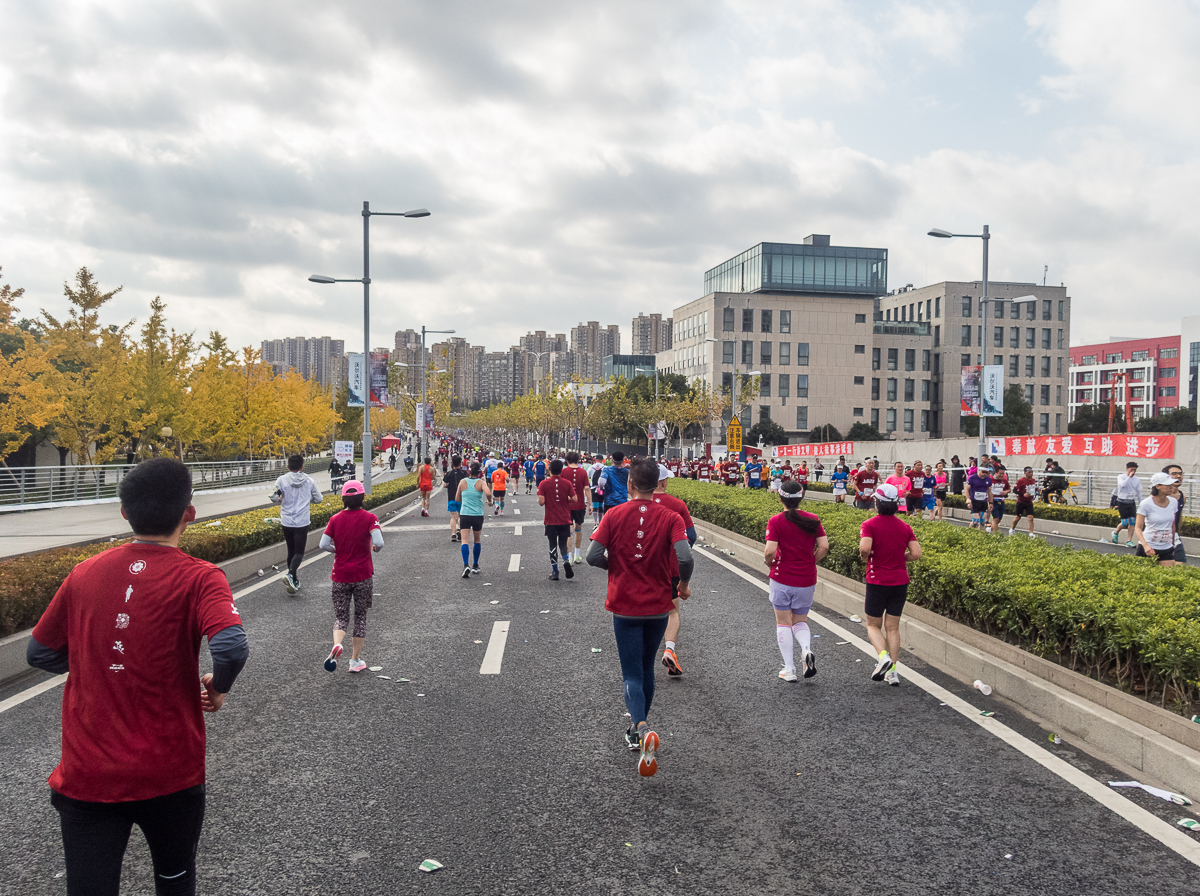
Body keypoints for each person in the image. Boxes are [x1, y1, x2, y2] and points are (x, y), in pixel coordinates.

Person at [26, 458, 249, 896]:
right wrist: (217, 689)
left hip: (89, 773)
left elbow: (39, 652)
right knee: (174, 878)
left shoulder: (84, 573)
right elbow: (230, 646)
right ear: (190, 511)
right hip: (171, 771)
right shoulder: (200, 577)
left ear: (125, 513)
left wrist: (94, 662)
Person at [587, 457, 693, 777]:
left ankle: (642, 727)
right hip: (659, 605)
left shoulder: (614, 513)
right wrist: (682, 585)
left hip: (624, 604)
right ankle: (638, 731)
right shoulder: (671, 516)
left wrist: (615, 568)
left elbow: (592, 556)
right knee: (647, 668)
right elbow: (685, 556)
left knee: (631, 673)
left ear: (631, 484)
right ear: (659, 483)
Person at [763, 481, 829, 682]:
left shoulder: (776, 521)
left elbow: (769, 551)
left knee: (783, 623)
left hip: (782, 576)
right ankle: (806, 650)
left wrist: (770, 564)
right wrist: (811, 561)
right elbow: (824, 547)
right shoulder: (813, 519)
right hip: (807, 578)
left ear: (780, 497)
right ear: (801, 497)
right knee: (800, 620)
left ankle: (789, 669)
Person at [859, 483, 921, 686]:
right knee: (893, 628)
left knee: (872, 625)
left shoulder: (869, 524)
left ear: (876, 502)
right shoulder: (905, 527)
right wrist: (899, 558)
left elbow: (864, 548)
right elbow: (916, 554)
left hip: (877, 580)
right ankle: (892, 672)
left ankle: (883, 656)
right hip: (900, 581)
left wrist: (864, 557)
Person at [319, 480, 383, 674]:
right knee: (360, 616)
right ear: (363, 497)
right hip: (363, 574)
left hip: (340, 574)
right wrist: (374, 548)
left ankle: (337, 644)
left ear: (343, 499)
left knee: (341, 616)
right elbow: (379, 542)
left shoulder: (335, 519)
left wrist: (336, 550)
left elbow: (323, 544)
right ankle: (355, 660)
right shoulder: (370, 518)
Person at [653, 464, 697, 676]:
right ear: (661, 481)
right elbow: (692, 537)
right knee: (672, 611)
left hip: (641, 567)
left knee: (643, 610)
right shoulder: (677, 504)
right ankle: (669, 649)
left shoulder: (633, 504)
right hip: (671, 566)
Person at [272, 453, 324, 594]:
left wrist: (280, 499)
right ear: (302, 466)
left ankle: (293, 581)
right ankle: (290, 575)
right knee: (299, 552)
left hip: (287, 520)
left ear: (288, 466)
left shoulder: (281, 480)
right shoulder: (309, 481)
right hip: (302, 521)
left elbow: (273, 496)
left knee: (291, 551)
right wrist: (308, 500)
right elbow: (319, 499)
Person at [538, 459, 577, 580]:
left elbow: (541, 502)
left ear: (549, 469)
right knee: (563, 543)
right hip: (565, 518)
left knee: (552, 544)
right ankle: (566, 560)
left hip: (551, 519)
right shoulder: (567, 483)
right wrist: (565, 499)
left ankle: (555, 571)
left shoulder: (544, 484)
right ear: (561, 470)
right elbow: (575, 499)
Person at [456, 461, 492, 577]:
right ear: (480, 473)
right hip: (477, 515)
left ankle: (466, 565)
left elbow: (457, 499)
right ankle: (475, 565)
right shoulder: (481, 483)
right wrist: (490, 501)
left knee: (465, 541)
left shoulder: (462, 482)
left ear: (469, 471)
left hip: (465, 514)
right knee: (477, 540)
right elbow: (488, 493)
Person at [1135, 472, 1180, 566]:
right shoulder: (1146, 504)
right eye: (1168, 484)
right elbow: (1138, 528)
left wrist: (1172, 544)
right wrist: (1145, 546)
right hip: (1149, 548)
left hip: (1167, 548)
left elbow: (1172, 525)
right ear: (1158, 486)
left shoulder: (1173, 502)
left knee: (1168, 577)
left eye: (1172, 484)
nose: (1171, 487)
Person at [561, 451, 592, 564]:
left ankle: (569, 556)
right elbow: (587, 489)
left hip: (567, 505)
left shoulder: (563, 472)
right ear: (578, 460)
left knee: (569, 531)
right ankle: (577, 555)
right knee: (578, 529)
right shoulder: (583, 472)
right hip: (580, 505)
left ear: (567, 461)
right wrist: (591, 504)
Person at [1111, 461, 1142, 547]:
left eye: (1135, 470)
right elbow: (1123, 485)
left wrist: (1141, 503)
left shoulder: (1137, 479)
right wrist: (1129, 477)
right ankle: (1116, 532)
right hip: (1122, 502)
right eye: (1131, 469)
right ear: (1127, 469)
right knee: (1124, 523)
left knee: (1132, 521)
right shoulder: (1121, 477)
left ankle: (1129, 541)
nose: (1133, 472)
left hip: (1131, 502)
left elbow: (1139, 492)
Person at [443, 455, 468, 543]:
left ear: (452, 463)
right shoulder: (464, 474)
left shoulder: (449, 474)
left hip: (451, 497)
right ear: (460, 463)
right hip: (462, 497)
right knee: (460, 515)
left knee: (453, 516)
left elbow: (445, 485)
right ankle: (459, 529)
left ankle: (453, 533)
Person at [1009, 466, 1038, 536]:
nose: (1031, 474)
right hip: (1021, 502)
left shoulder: (1033, 480)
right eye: (1029, 472)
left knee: (1031, 517)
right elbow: (1014, 490)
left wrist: (1037, 490)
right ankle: (1012, 529)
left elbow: (1032, 489)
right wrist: (1022, 494)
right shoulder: (1021, 481)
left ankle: (1031, 533)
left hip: (1029, 502)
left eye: (1032, 472)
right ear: (1025, 473)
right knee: (1018, 517)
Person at [599, 450, 630, 515]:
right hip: (623, 500)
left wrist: (601, 490)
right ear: (623, 459)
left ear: (612, 459)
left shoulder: (607, 470)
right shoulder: (627, 472)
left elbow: (601, 482)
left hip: (609, 500)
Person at [967, 461, 993, 529]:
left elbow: (989, 491)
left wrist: (991, 502)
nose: (984, 474)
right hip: (974, 501)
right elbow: (967, 489)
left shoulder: (988, 479)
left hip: (983, 502)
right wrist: (968, 499)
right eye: (983, 472)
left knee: (982, 521)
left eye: (986, 472)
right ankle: (969, 532)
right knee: (975, 522)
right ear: (979, 470)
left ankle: (981, 536)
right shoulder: (972, 478)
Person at [987, 461, 1010, 534]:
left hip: (1002, 501)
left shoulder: (1005, 481)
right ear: (995, 473)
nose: (1001, 475)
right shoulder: (990, 480)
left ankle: (990, 529)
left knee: (999, 520)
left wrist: (1005, 492)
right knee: (996, 519)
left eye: (1003, 474)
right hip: (993, 501)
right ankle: (996, 536)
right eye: (1000, 473)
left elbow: (1009, 489)